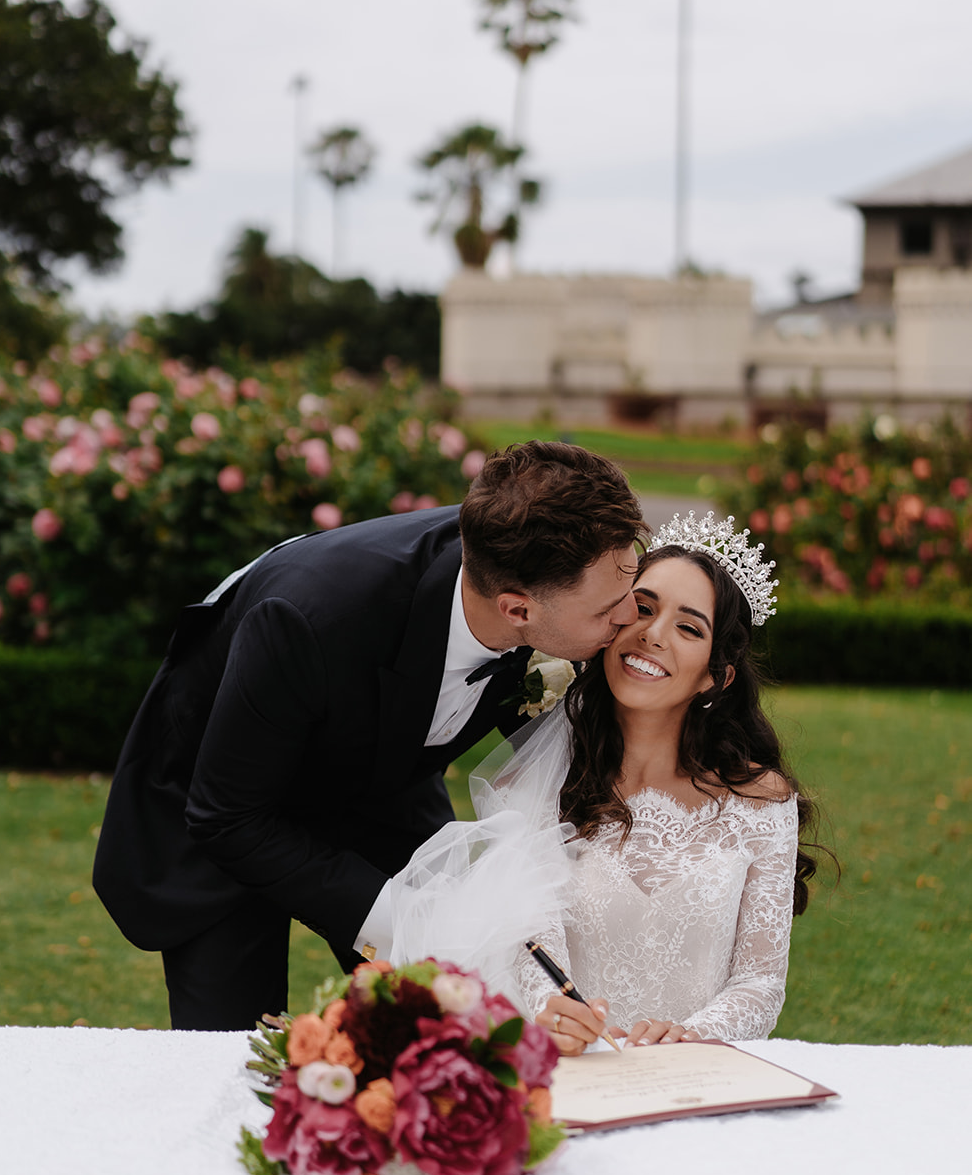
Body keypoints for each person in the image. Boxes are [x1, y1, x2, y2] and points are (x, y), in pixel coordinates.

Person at [93, 441, 646, 1030]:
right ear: (516, 611)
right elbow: (225, 817)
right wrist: (401, 919)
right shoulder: (308, 617)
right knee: (235, 1051)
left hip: (383, 780)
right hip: (225, 811)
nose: (630, 618)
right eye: (608, 610)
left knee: (448, 1025)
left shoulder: (540, 562)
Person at [387, 512, 828, 1053]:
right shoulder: (539, 782)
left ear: (717, 676)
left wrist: (692, 1036)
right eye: (643, 608)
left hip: (699, 1072)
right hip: (577, 1067)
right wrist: (556, 1012)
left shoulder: (761, 803)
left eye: (689, 628)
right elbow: (531, 943)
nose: (653, 634)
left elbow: (760, 983)